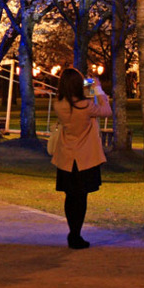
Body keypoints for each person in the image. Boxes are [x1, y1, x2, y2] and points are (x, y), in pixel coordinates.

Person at [51, 67, 112, 250]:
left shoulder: (59, 104)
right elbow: (106, 110)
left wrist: (85, 86)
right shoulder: (85, 106)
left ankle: (73, 232)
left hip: (66, 157)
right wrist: (98, 89)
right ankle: (76, 235)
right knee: (81, 197)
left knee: (70, 197)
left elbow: (75, 93)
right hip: (85, 157)